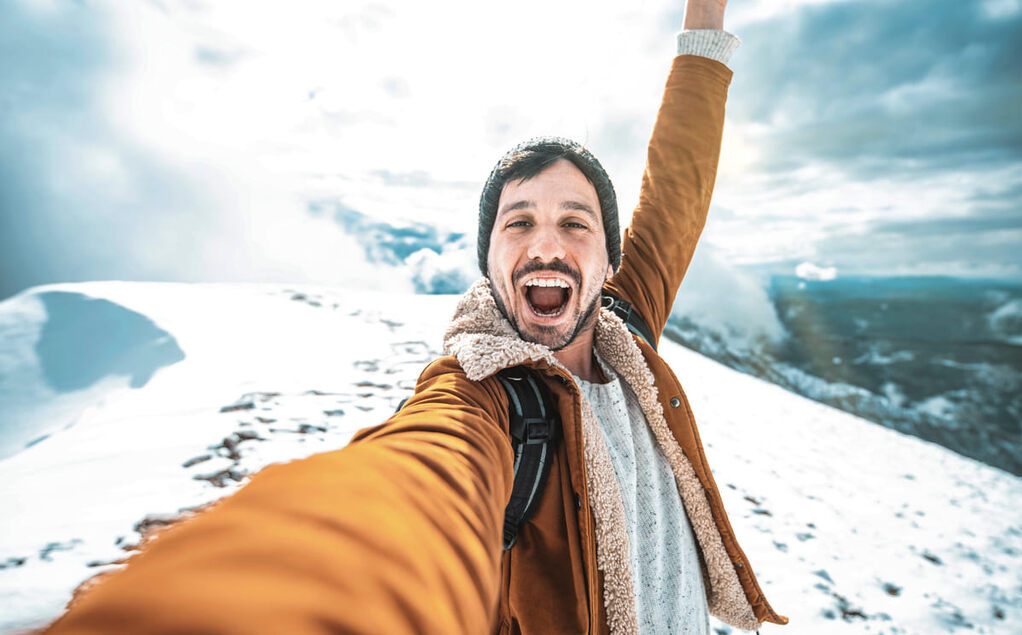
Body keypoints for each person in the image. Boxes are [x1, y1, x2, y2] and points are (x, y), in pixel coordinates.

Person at [45, 1, 786, 633]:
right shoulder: (483, 398)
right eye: (519, 222)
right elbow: (408, 493)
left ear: (608, 255)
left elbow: (679, 184)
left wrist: (705, 22)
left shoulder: (626, 325)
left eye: (575, 222)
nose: (547, 245)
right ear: (489, 259)